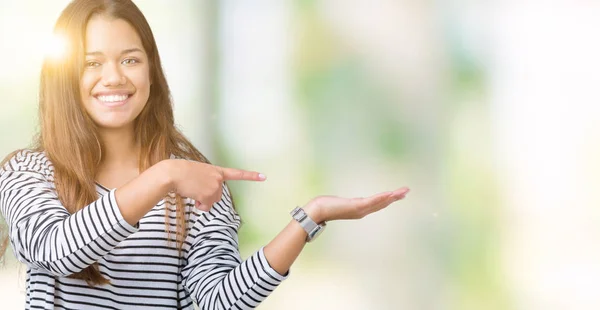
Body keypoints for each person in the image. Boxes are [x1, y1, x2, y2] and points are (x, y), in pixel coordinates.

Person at [0, 0, 410, 309]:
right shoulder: (28, 171)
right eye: (92, 63)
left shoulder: (192, 184)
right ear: (65, 76)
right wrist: (162, 177)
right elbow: (55, 251)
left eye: (130, 60)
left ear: (151, 71)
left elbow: (219, 301)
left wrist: (310, 217)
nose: (114, 77)